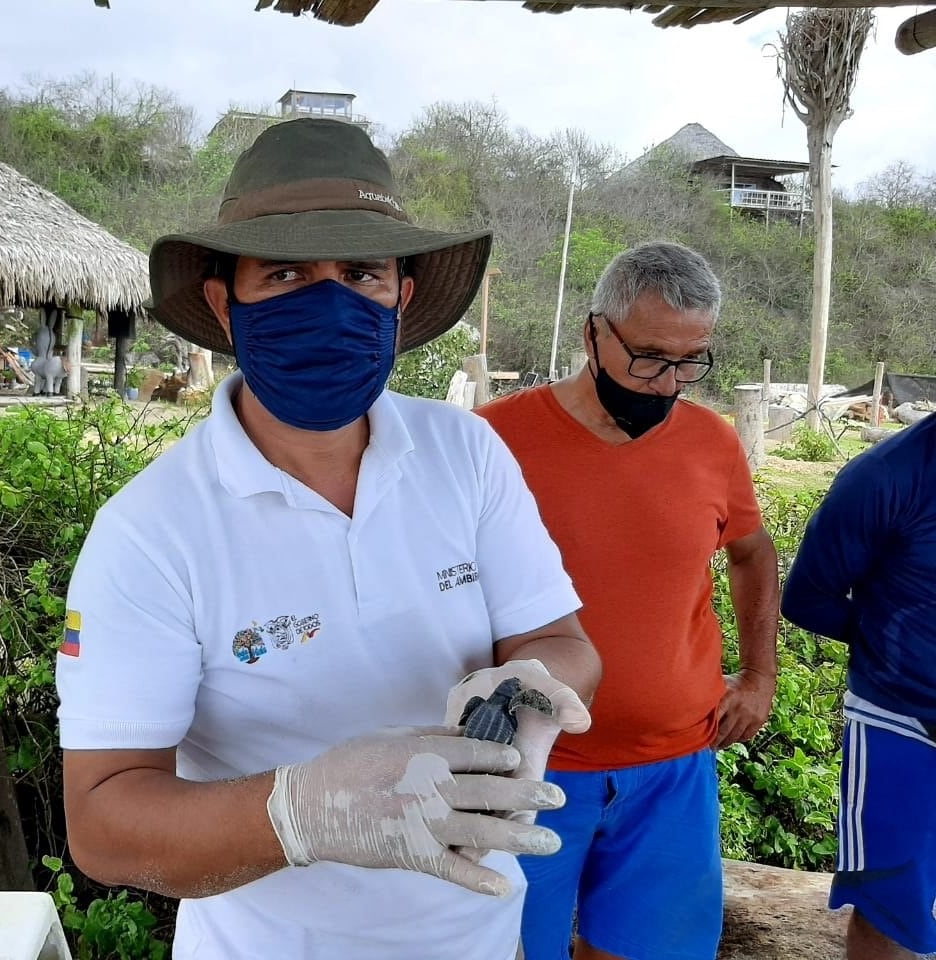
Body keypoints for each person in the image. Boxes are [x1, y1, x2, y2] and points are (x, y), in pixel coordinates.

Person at [56, 117, 602, 960]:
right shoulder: (150, 532)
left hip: (479, 936)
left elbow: (559, 641)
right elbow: (103, 825)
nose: (330, 300)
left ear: (401, 298)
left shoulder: (466, 453)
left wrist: (531, 688)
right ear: (221, 302)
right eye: (285, 272)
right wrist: (302, 810)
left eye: (361, 273)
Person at [477, 241, 780, 960]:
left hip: (673, 772)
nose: (668, 382)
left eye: (690, 360)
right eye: (648, 356)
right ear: (593, 334)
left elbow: (752, 551)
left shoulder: (712, 441)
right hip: (525, 768)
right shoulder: (491, 439)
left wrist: (761, 676)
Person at [781, 411, 936, 960]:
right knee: (889, 909)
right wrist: (897, 643)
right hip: (904, 725)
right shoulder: (888, 474)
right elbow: (807, 597)